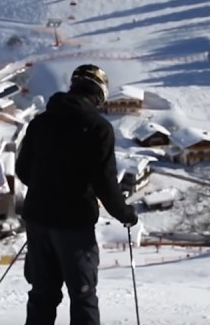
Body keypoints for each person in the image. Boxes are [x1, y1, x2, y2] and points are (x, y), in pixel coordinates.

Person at [15, 64, 139, 325]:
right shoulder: (98, 128)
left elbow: (23, 171)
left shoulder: (40, 122)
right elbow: (105, 182)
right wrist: (125, 213)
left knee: (41, 295)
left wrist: (48, 188)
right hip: (74, 225)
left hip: (38, 221)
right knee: (82, 296)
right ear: (100, 94)